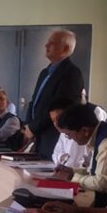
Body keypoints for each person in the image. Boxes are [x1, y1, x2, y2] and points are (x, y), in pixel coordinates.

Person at [52, 102, 107, 207]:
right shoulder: (102, 132)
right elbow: (96, 171)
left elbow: (103, 183)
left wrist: (71, 177)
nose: (70, 138)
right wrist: (72, 171)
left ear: (85, 130)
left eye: (68, 134)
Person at [23, 30, 84, 159]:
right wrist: (28, 125)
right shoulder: (45, 72)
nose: (46, 45)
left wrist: (33, 128)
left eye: (52, 43)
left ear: (65, 48)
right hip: (38, 137)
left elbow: (59, 109)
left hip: (52, 138)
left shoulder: (72, 73)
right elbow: (34, 102)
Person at [50, 98, 107, 167]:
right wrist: (71, 170)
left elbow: (73, 163)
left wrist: (65, 161)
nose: (56, 124)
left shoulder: (106, 142)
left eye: (59, 118)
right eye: (53, 120)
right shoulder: (90, 137)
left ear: (85, 131)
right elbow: (55, 154)